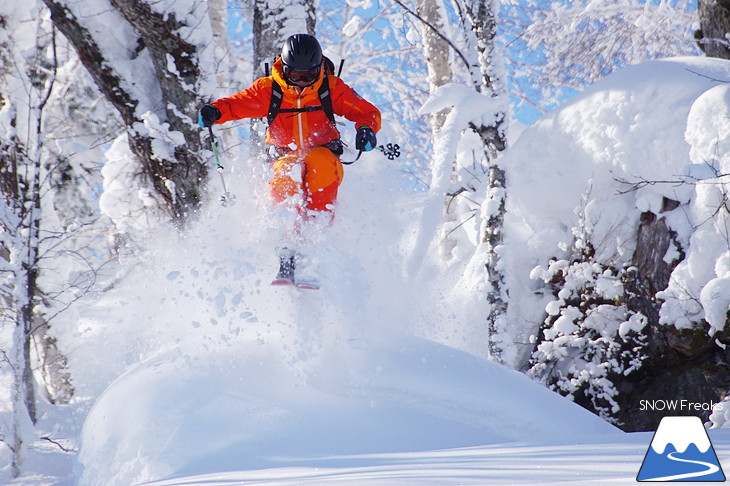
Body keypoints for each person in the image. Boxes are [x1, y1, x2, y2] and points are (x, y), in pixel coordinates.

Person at [198, 33, 381, 288]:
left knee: (320, 166)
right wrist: (215, 111)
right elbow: (238, 104)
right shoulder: (268, 89)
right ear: (284, 69)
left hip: (323, 152)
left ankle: (313, 248)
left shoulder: (331, 88)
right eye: (295, 75)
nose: (302, 82)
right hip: (284, 155)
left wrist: (366, 129)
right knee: (287, 172)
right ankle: (286, 250)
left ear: (319, 70)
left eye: (308, 76)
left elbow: (366, 111)